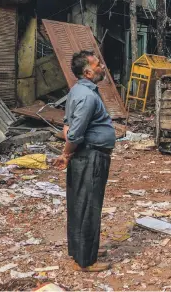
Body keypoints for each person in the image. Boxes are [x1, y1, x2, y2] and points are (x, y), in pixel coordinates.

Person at [54, 50, 116, 272]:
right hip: (91, 156)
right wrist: (66, 153)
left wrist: (67, 153)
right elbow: (74, 134)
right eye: (98, 64)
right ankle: (86, 261)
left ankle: (82, 250)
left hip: (86, 155)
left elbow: (67, 123)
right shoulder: (87, 96)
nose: (102, 67)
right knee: (89, 205)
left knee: (79, 203)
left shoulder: (77, 91)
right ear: (88, 72)